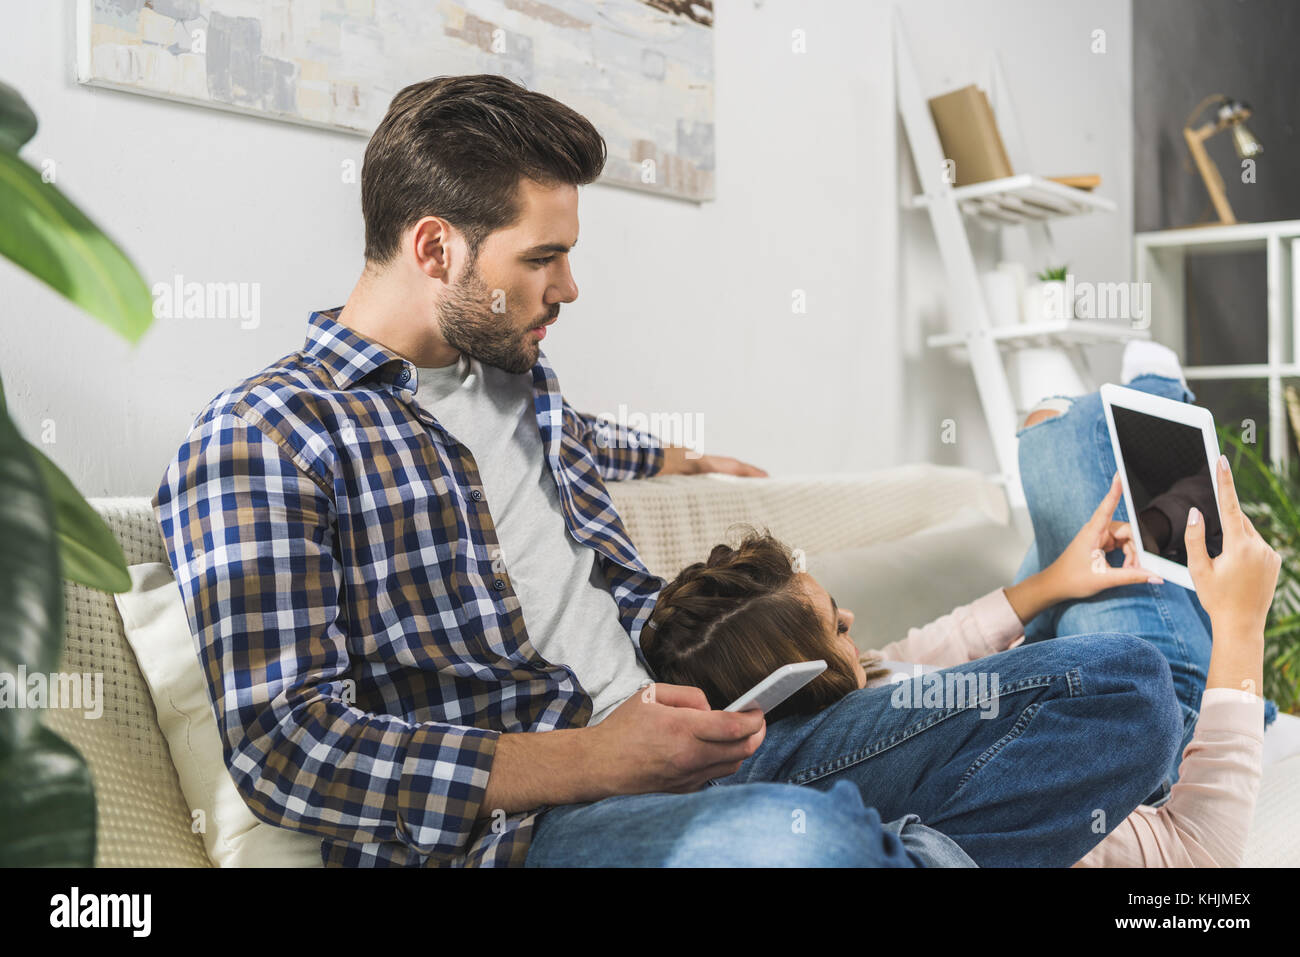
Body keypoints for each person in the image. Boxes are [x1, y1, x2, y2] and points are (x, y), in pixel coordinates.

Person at [155, 74, 1183, 868]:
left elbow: (583, 444)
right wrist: (594, 759)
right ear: (434, 249)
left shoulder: (520, 382)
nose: (569, 286)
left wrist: (678, 456)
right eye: (540, 258)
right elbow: (288, 748)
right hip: (534, 826)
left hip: (725, 738)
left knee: (1124, 692)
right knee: (797, 844)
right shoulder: (261, 440)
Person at [644, 374, 1281, 867]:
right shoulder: (993, 793)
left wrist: (1056, 581)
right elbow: (1198, 856)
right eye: (838, 627)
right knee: (1064, 425)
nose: (854, 619)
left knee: (1052, 432)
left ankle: (1159, 435)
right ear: (800, 681)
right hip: (1169, 711)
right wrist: (1241, 630)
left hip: (1046, 665)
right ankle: (1163, 397)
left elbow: (935, 646)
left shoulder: (852, 709)